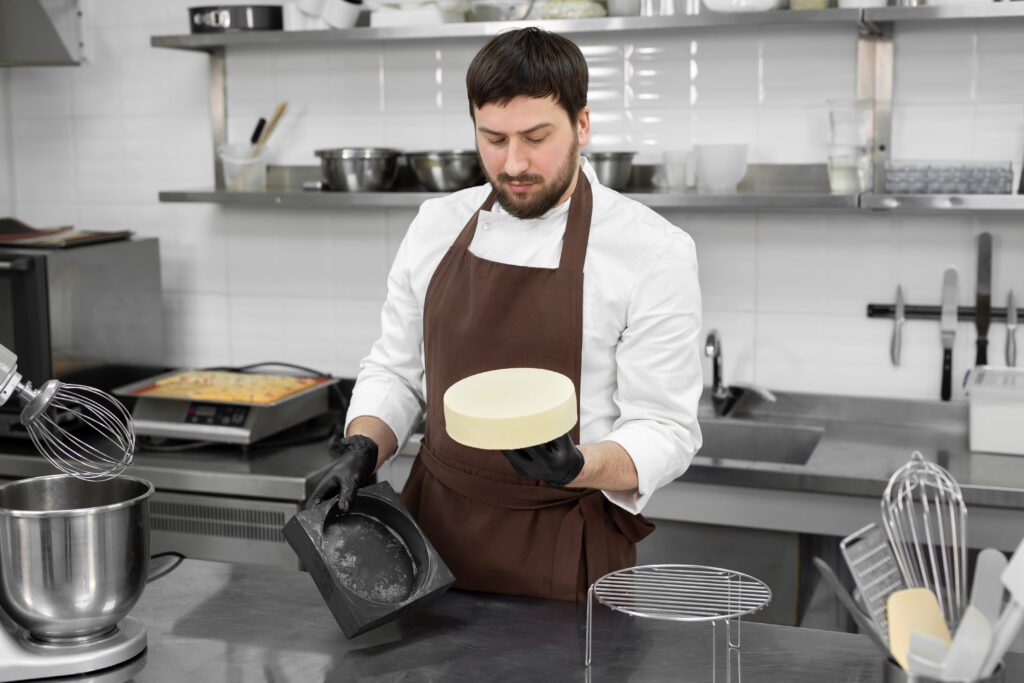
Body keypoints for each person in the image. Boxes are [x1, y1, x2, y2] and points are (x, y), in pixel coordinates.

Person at [307, 27, 703, 602]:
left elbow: (666, 428)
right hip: (429, 535)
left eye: (536, 137)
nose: (513, 163)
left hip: (563, 543)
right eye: (492, 139)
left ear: (582, 125)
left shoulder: (651, 249)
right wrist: (365, 445)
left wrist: (578, 465)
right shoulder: (437, 225)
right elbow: (396, 371)